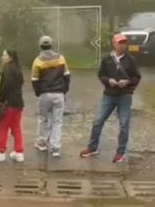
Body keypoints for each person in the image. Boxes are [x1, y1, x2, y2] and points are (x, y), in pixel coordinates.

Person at [79, 34, 142, 163]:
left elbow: (137, 77)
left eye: (124, 43)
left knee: (124, 124)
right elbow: (101, 74)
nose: (122, 45)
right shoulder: (107, 59)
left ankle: (120, 152)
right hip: (109, 95)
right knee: (97, 121)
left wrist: (128, 82)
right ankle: (92, 147)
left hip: (124, 96)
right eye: (120, 42)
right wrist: (109, 81)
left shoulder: (131, 60)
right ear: (114, 44)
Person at [31, 35, 70, 157]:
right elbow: (67, 75)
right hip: (59, 93)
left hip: (45, 94)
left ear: (40, 46)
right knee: (57, 121)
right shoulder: (61, 59)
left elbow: (34, 80)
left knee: (43, 119)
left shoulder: (38, 61)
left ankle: (41, 143)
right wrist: (64, 90)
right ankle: (55, 148)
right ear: (51, 45)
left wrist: (38, 92)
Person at [0, 50, 25, 162]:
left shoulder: (7, 70)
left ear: (10, 57)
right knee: (16, 128)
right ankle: (19, 152)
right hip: (18, 103)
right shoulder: (18, 69)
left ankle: (0, 151)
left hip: (8, 103)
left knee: (3, 127)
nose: (2, 57)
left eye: (4, 55)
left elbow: (5, 87)